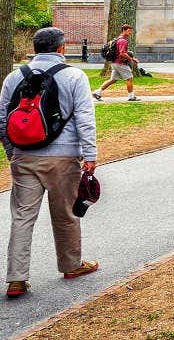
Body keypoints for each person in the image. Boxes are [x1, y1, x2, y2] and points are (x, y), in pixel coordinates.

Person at [3, 27, 100, 299]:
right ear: (61, 48)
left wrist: (13, 152)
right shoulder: (74, 76)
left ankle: (16, 278)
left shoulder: (14, 77)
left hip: (24, 156)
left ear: (34, 48)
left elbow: (3, 118)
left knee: (22, 218)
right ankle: (71, 265)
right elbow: (84, 117)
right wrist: (90, 154)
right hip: (64, 156)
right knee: (65, 214)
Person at [93, 24, 140, 102]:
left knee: (113, 80)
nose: (130, 33)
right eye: (128, 31)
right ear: (123, 30)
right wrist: (131, 59)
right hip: (120, 63)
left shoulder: (118, 39)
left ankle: (97, 93)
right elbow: (122, 53)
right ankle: (131, 96)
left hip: (114, 63)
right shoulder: (123, 41)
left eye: (130, 31)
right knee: (129, 79)